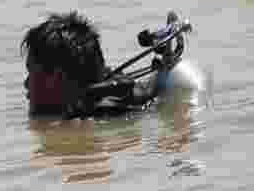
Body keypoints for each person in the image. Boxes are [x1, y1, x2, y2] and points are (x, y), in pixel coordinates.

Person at [21, 11, 207, 118]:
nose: (26, 83)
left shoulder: (101, 112)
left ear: (56, 78)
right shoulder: (95, 95)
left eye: (32, 73)